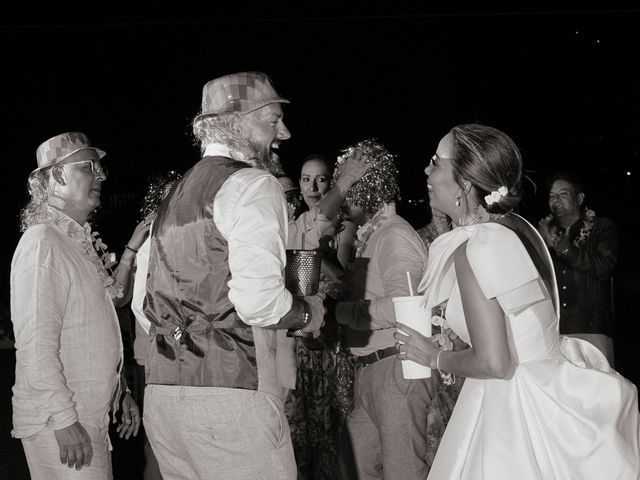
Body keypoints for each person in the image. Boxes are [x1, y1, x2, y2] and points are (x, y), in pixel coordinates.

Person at [395, 123, 640, 479]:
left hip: (516, 408)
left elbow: (495, 362)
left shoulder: (475, 246)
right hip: (551, 382)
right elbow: (517, 324)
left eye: (435, 162)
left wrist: (432, 356)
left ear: (464, 183)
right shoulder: (514, 229)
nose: (426, 171)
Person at [141, 71, 326, 480]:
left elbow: (143, 305)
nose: (285, 132)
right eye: (273, 119)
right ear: (239, 120)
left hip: (163, 398)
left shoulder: (172, 197)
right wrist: (308, 313)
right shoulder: (254, 185)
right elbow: (260, 304)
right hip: (232, 398)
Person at [10, 131, 141, 479]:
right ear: (56, 176)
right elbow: (36, 346)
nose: (101, 175)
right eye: (88, 167)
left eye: (100, 167)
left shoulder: (75, 242)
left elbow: (89, 328)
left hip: (87, 415)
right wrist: (65, 420)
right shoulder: (42, 243)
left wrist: (120, 391)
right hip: (63, 424)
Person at [334, 139, 432, 479]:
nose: (340, 195)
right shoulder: (374, 235)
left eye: (346, 185)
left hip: (395, 369)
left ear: (367, 189)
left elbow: (409, 306)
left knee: (403, 471)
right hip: (371, 372)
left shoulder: (394, 236)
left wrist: (345, 313)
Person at [283, 151, 370, 480]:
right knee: (301, 435)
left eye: (320, 178)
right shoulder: (295, 228)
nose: (312, 186)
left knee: (334, 432)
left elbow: (345, 279)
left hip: (333, 341)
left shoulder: (344, 224)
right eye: (305, 179)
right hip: (301, 343)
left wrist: (324, 257)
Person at [537, 171, 618, 365]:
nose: (556, 200)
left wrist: (564, 248)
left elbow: (604, 268)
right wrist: (542, 246)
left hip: (592, 330)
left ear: (579, 198)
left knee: (600, 392)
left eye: (563, 194)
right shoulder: (543, 233)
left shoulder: (602, 227)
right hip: (554, 332)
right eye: (551, 196)